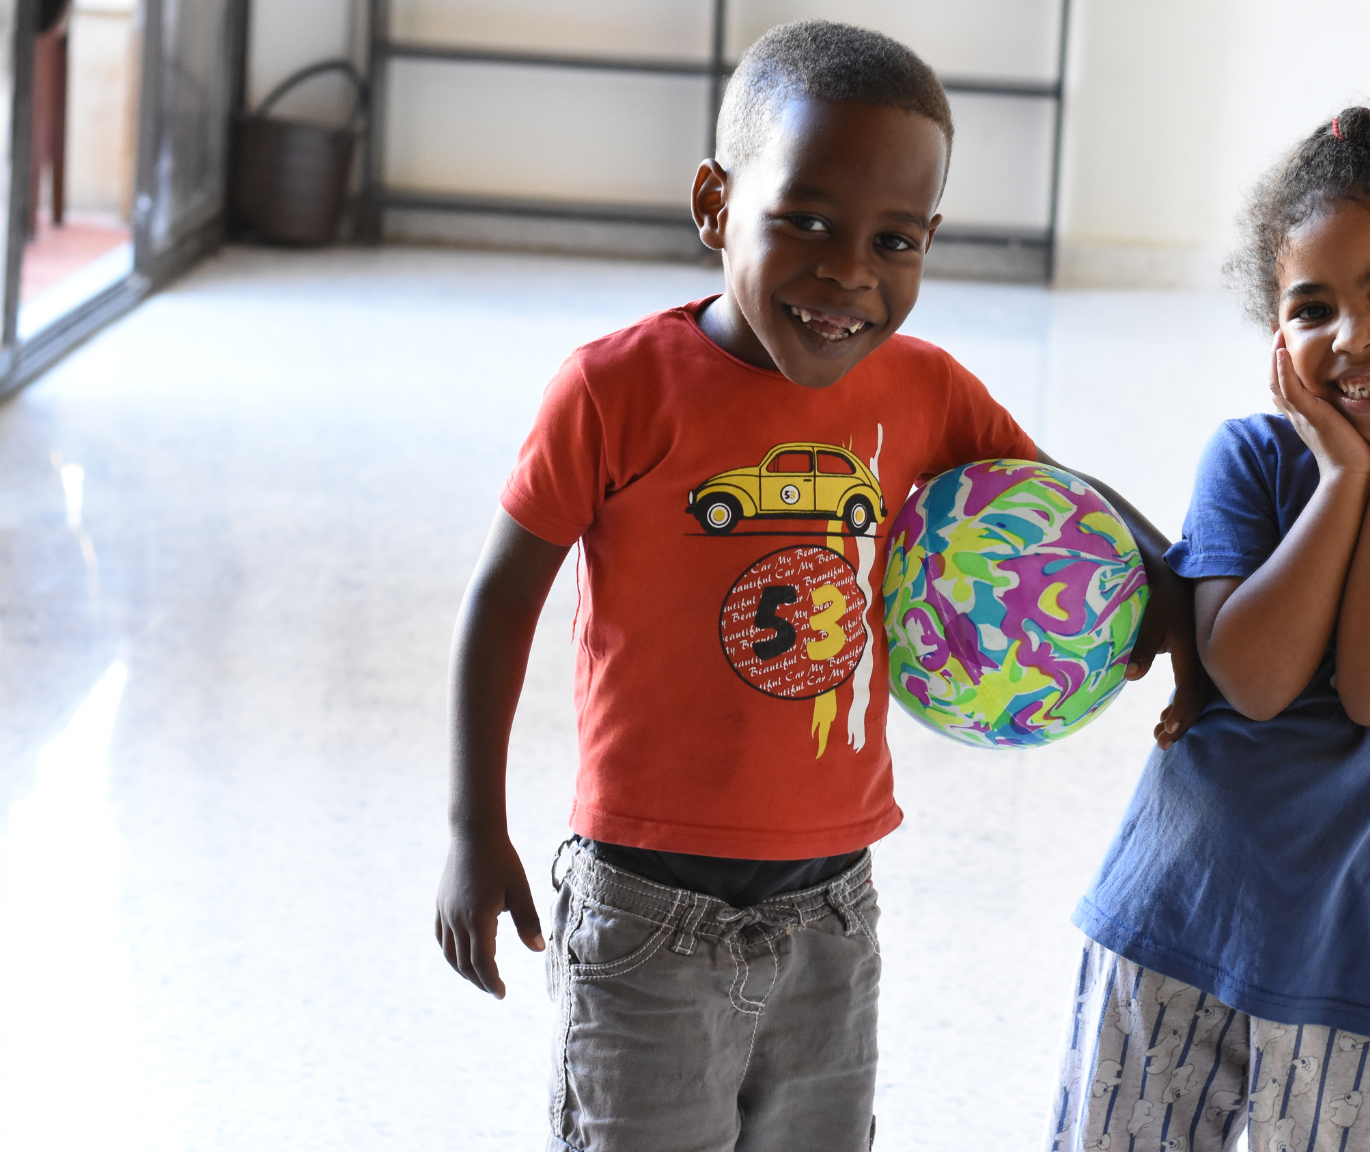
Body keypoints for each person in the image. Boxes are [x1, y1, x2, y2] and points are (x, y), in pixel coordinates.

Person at [430, 21, 1196, 1152]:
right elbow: (501, 597)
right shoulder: (613, 390)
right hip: (644, 911)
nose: (850, 273)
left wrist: (1174, 592)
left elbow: (1057, 496)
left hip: (833, 910)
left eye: (896, 242)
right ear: (713, 204)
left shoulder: (926, 391)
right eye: (806, 221)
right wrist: (470, 829)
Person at [1046, 106, 1370, 1152]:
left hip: (1359, 973)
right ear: (1277, 340)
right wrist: (1344, 476)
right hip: (1166, 926)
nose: (1354, 336)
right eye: (1312, 307)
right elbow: (1253, 677)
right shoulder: (1251, 458)